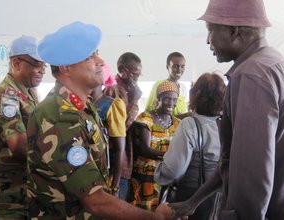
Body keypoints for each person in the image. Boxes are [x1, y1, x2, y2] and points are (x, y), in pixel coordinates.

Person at [170, 0, 284, 219]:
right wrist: (192, 203)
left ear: (233, 30)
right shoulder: (276, 64)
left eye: (210, 31)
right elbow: (233, 162)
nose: (208, 41)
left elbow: (252, 173)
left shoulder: (251, 75)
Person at [26, 21, 180, 220]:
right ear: (66, 68)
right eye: (90, 56)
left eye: (97, 53)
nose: (100, 61)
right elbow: (95, 201)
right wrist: (156, 218)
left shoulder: (83, 107)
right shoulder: (58, 115)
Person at [0, 35, 46, 219]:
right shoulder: (6, 96)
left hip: (22, 193)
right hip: (5, 199)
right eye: (36, 64)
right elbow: (19, 146)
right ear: (16, 63)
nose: (42, 71)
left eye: (44, 66)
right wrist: (57, 154)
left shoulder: (28, 92)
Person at [154, 72, 226, 220]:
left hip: (190, 200)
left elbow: (174, 170)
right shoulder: (229, 125)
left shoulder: (190, 124)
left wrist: (159, 171)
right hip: (222, 199)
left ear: (195, 96)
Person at [130, 81, 181, 211]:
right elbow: (145, 150)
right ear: (159, 98)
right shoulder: (146, 118)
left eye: (174, 99)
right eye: (167, 98)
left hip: (167, 178)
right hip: (146, 177)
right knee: (144, 213)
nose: (171, 103)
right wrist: (172, 156)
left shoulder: (177, 123)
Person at [103, 52, 143, 201]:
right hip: (115, 161)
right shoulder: (113, 90)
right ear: (122, 70)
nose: (137, 79)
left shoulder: (128, 89)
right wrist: (134, 99)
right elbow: (121, 128)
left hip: (125, 157)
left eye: (139, 75)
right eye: (135, 75)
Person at [90, 64, 127, 197]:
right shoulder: (82, 103)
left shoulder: (111, 105)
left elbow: (119, 149)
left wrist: (115, 187)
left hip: (106, 173)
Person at [145, 52, 188, 117]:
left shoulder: (183, 87)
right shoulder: (160, 85)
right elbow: (151, 112)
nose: (179, 70)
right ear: (167, 67)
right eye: (176, 66)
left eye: (182, 67)